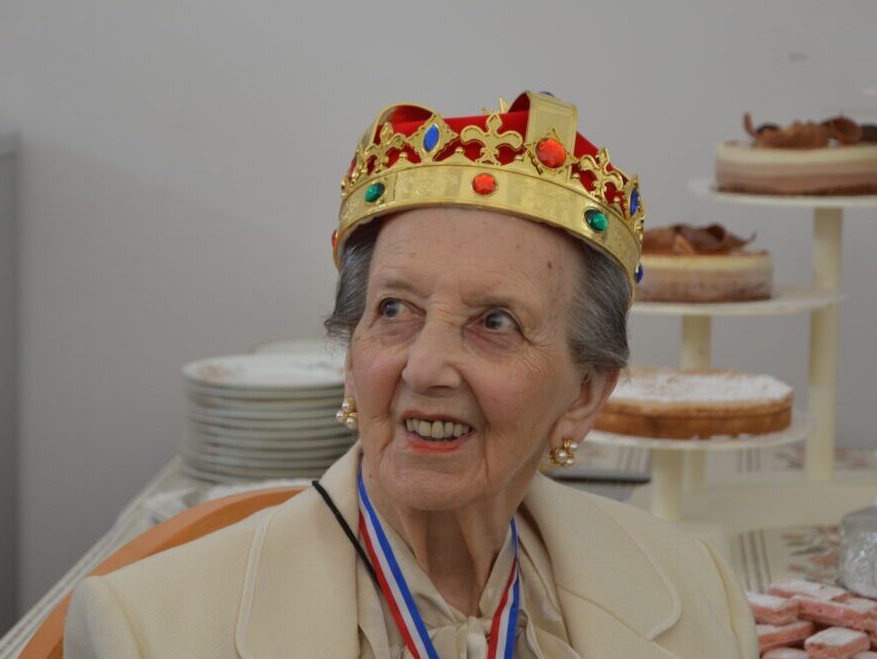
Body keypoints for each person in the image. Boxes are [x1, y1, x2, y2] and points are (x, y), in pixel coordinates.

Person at [65, 91, 758, 658]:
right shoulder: (146, 630)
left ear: (583, 395)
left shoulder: (699, 589)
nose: (424, 368)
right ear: (351, 355)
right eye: (394, 310)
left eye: (495, 322)